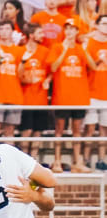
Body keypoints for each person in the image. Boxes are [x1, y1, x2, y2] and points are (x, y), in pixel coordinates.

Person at [47, 17, 95, 172]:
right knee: (59, 130)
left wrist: (84, 49)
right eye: (67, 28)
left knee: (77, 131)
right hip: (62, 96)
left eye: (72, 29)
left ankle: (77, 162)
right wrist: (65, 50)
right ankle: (57, 161)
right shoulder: (57, 47)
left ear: (76, 31)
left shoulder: (81, 48)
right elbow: (53, 68)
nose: (69, 31)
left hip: (79, 96)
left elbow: (93, 66)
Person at [0, 20, 25, 139]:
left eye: (7, 28)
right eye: (1, 29)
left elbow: (21, 75)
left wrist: (23, 63)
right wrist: (0, 60)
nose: (4, 32)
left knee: (10, 132)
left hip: (14, 94)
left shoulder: (20, 51)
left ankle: (9, 157)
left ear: (12, 31)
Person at [18, 22, 51, 165]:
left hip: (41, 97)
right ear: (31, 35)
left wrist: (47, 80)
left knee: (38, 130)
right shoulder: (21, 51)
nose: (42, 35)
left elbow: (51, 72)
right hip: (25, 98)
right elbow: (17, 74)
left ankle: (33, 159)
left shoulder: (45, 51)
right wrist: (25, 79)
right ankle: (24, 159)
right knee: (27, 130)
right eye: (39, 33)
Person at [83, 14, 107, 170]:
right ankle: (85, 158)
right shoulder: (89, 43)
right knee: (90, 127)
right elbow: (86, 66)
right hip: (91, 92)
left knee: (104, 129)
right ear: (97, 25)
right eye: (104, 23)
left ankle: (101, 158)